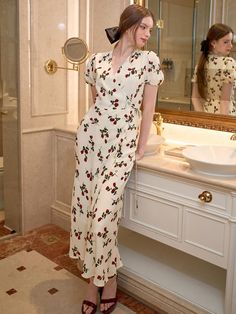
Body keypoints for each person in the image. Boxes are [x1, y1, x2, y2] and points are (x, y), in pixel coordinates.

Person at [69, 4, 164, 314]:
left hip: (122, 147)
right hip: (90, 142)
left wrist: (139, 147)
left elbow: (148, 109)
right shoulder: (96, 61)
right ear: (128, 25)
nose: (148, 35)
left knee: (102, 218)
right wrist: (91, 134)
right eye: (144, 28)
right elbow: (96, 103)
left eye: (150, 29)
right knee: (87, 212)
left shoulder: (148, 61)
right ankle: (103, 280)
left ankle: (97, 281)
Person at [191, 23, 236, 115]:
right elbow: (224, 101)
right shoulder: (228, 63)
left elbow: (195, 98)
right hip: (226, 116)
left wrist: (204, 118)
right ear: (213, 43)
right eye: (226, 42)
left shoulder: (200, 64)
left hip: (207, 115)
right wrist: (222, 125)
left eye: (231, 41)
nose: (230, 45)